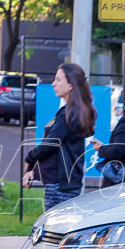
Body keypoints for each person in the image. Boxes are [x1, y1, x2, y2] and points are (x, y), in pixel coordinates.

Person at [22, 63, 96, 210]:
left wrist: (29, 159)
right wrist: (33, 168)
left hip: (61, 185)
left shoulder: (69, 114)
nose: (53, 84)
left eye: (58, 80)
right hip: (64, 183)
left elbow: (50, 145)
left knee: (56, 228)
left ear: (71, 85)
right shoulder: (72, 111)